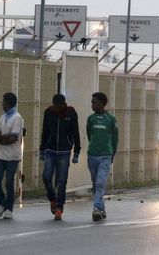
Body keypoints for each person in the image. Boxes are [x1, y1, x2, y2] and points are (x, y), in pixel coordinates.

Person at [40, 93, 81, 221]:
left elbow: (76, 131)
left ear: (63, 104)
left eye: (58, 106)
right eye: (54, 106)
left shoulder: (71, 113)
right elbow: (45, 131)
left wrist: (76, 152)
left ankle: (59, 207)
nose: (56, 109)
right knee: (46, 177)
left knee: (62, 181)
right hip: (50, 150)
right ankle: (52, 198)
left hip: (64, 151)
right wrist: (42, 149)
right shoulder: (49, 112)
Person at [86, 92, 118, 221]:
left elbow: (115, 138)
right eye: (92, 102)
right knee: (95, 183)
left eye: (94, 102)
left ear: (101, 103)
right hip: (92, 155)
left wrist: (113, 153)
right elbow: (89, 134)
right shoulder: (91, 119)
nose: (92, 104)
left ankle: (96, 209)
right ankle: (102, 208)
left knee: (100, 183)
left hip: (105, 155)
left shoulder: (111, 119)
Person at [0, 92, 24, 219]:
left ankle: (9, 208)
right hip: (1, 155)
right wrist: (2, 137)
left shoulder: (17, 118)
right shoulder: (2, 117)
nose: (2, 103)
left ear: (8, 103)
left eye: (3, 101)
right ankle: (1, 202)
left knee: (9, 182)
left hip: (13, 156)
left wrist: (1, 137)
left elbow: (13, 138)